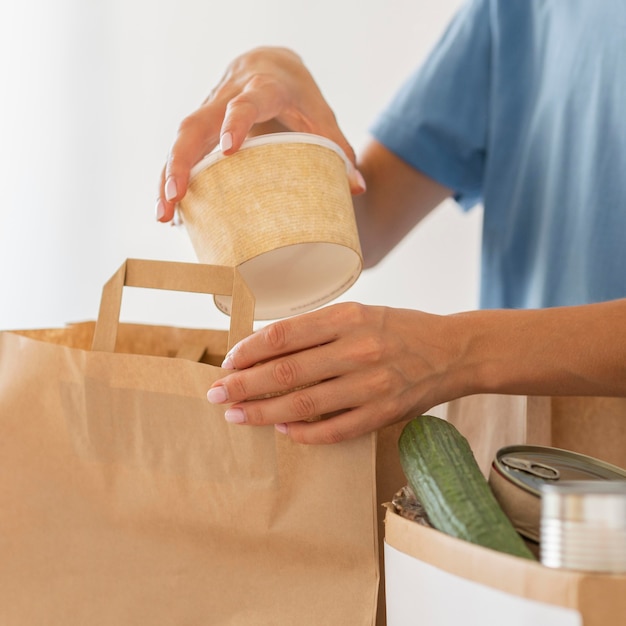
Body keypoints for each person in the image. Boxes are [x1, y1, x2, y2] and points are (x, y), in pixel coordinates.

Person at [156, 0, 626, 446]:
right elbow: (366, 219)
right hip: (527, 474)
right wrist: (273, 97)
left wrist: (459, 352)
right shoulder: (515, 11)